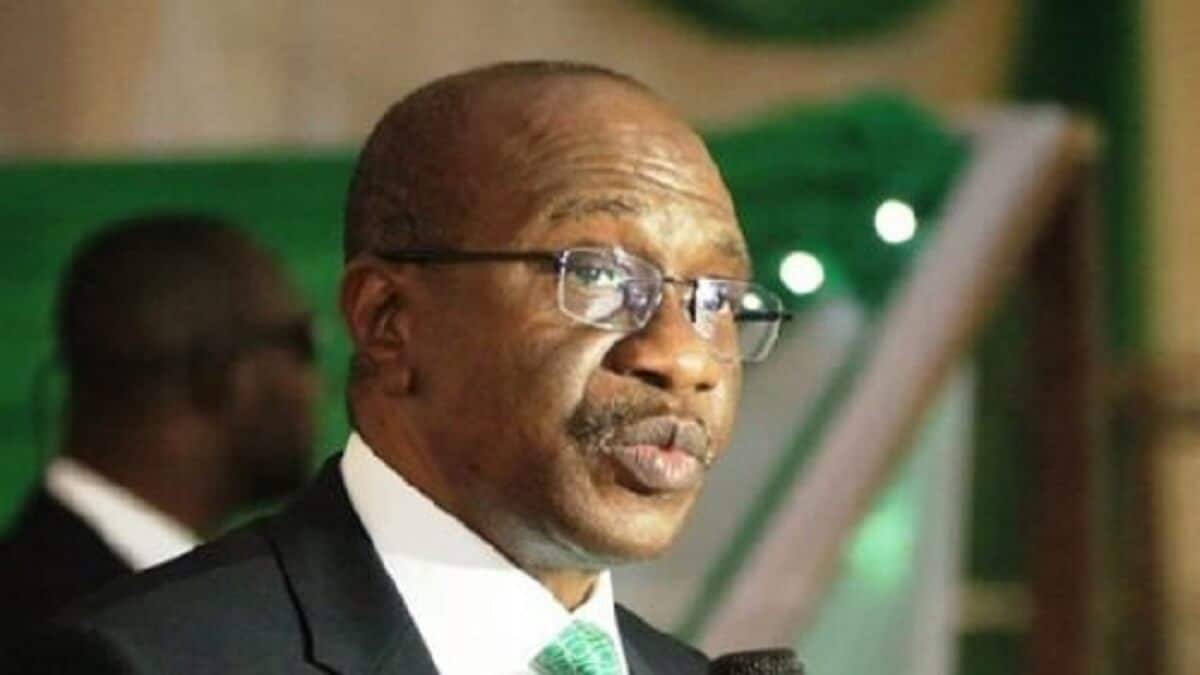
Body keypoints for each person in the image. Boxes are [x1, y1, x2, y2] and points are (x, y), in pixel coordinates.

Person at [8, 61, 790, 674]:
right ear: (388, 321)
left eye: (718, 297)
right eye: (595, 275)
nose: (684, 356)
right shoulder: (146, 662)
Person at [0, 214, 317, 652]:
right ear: (221, 374)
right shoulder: (79, 641)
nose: (316, 385)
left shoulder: (44, 594)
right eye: (302, 343)